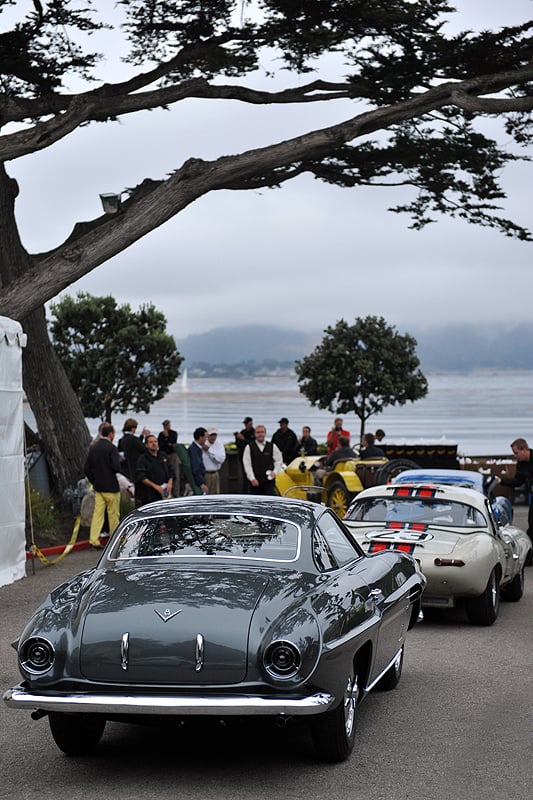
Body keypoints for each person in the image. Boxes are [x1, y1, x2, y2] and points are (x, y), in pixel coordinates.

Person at [84, 423, 121, 549]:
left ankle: (93, 539)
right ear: (110, 434)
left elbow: (87, 468)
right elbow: (116, 467)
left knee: (98, 514)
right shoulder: (111, 448)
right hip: (111, 487)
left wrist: (94, 481)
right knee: (113, 514)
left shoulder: (93, 448)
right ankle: (115, 538)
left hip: (99, 487)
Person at [497, 438, 533, 547]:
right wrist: (501, 481)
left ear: (524, 450)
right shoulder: (521, 464)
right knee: (532, 523)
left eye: (516, 453)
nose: (515, 456)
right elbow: (518, 481)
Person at [134, 434, 175, 507]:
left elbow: (171, 471)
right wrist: (155, 486)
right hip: (149, 496)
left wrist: (170, 483)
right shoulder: (143, 459)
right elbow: (141, 477)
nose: (154, 444)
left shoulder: (163, 456)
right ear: (146, 445)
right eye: (151, 442)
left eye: (155, 441)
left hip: (165, 493)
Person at [242, 424, 283, 495]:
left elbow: (279, 460)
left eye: (262, 432)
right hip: (255, 481)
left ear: (265, 433)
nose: (260, 434)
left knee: (269, 502)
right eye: (258, 432)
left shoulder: (272, 446)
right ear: (255, 434)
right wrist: (252, 478)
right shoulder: (249, 447)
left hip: (269, 482)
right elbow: (247, 464)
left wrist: (275, 472)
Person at [158, 419, 180, 497]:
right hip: (164, 455)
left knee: (175, 473)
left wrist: (167, 437)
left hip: (172, 455)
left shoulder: (173, 433)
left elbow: (173, 442)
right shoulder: (161, 435)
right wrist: (167, 442)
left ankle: (176, 493)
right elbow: (161, 445)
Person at [202, 426, 226, 494]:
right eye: (211, 435)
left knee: (215, 493)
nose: (213, 437)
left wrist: (209, 451)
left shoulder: (219, 444)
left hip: (215, 473)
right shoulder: (203, 443)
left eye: (215, 435)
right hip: (205, 474)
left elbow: (221, 459)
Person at [188, 427, 209, 494]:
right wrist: (201, 483)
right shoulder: (194, 450)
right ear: (200, 437)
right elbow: (196, 467)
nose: (206, 439)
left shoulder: (196, 449)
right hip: (196, 482)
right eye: (205, 437)